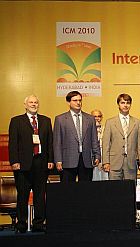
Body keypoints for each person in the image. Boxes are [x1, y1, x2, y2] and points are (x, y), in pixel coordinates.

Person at [8, 95, 54, 233]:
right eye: (31, 102)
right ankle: (21, 223)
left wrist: (50, 160)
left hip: (41, 163)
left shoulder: (46, 120)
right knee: (22, 195)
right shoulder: (16, 121)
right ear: (25, 104)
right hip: (22, 164)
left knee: (40, 195)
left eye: (36, 102)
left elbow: (49, 143)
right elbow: (13, 143)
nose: (34, 104)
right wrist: (14, 161)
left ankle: (39, 223)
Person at [53, 91, 100, 182]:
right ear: (68, 102)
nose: (78, 103)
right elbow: (57, 142)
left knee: (86, 189)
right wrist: (58, 160)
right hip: (68, 160)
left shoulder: (90, 119)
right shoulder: (60, 119)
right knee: (68, 190)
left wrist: (97, 155)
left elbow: (94, 139)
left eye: (80, 100)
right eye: (75, 100)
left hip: (86, 160)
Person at [102, 94, 140, 181]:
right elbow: (106, 143)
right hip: (114, 162)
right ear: (118, 104)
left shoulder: (137, 122)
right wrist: (106, 162)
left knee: (130, 190)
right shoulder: (110, 122)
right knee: (114, 190)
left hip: (131, 162)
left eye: (128, 103)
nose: (125, 105)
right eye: (122, 103)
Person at [91, 109, 108, 181]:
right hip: (92, 159)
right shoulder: (87, 129)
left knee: (105, 180)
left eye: (99, 116)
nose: (97, 118)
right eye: (94, 116)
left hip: (104, 158)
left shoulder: (106, 129)